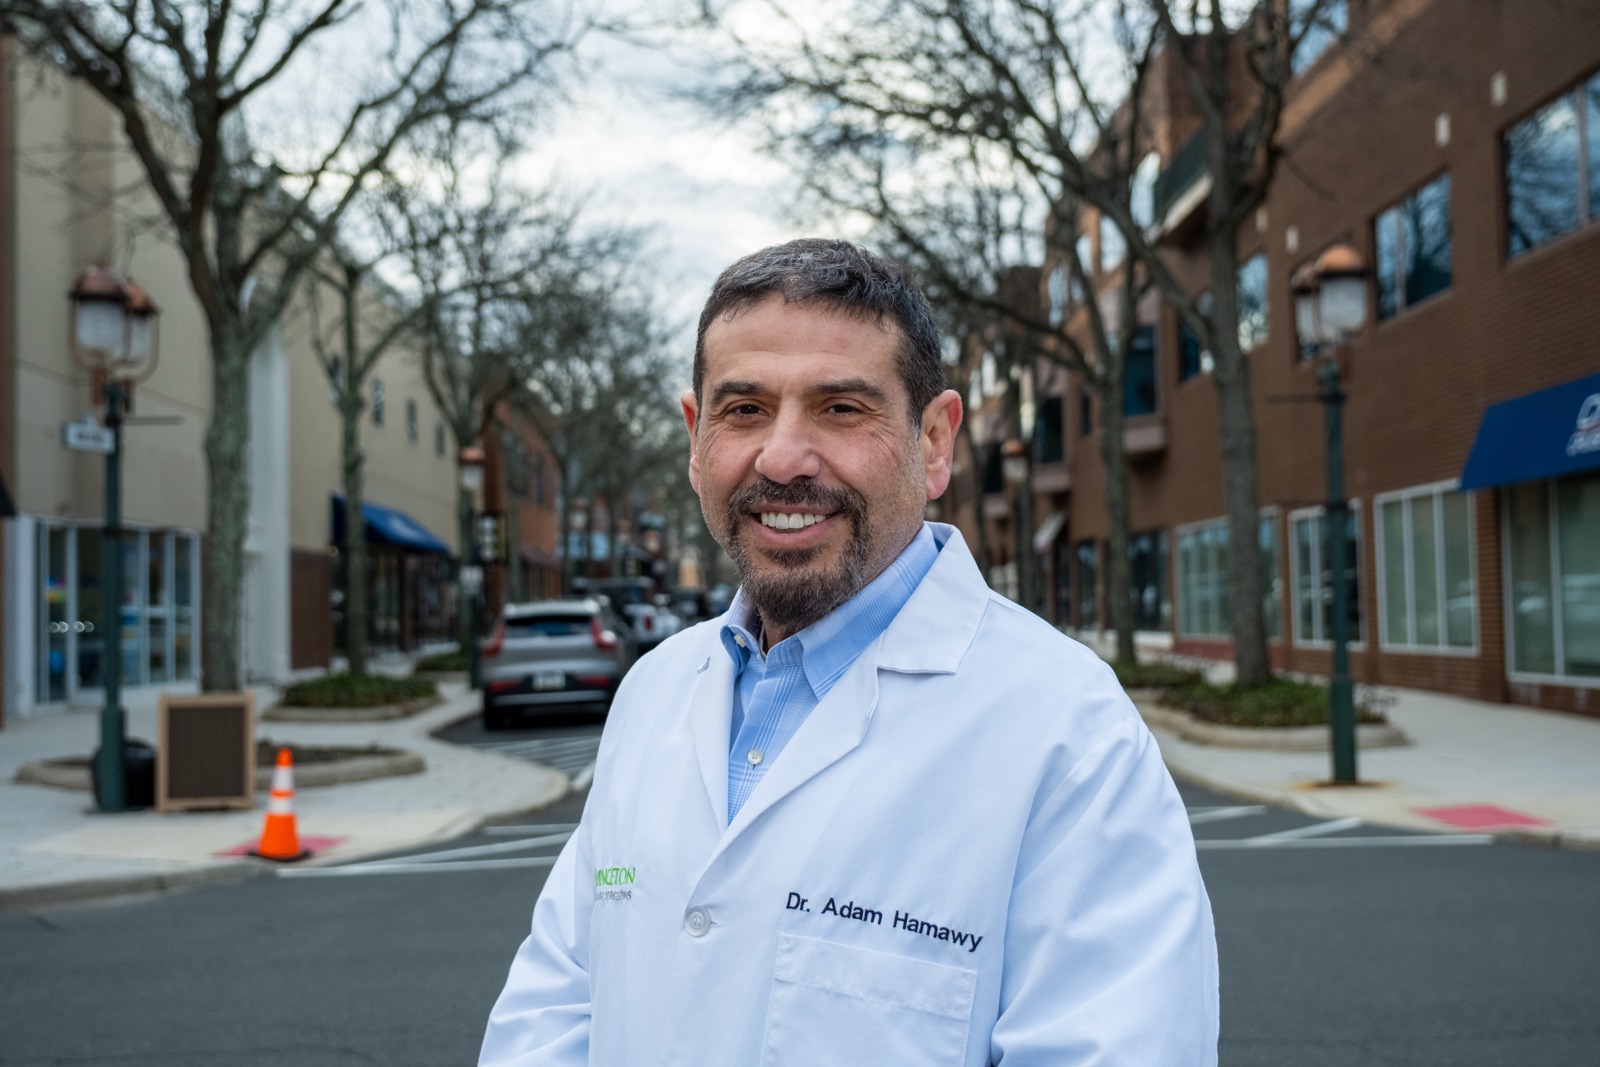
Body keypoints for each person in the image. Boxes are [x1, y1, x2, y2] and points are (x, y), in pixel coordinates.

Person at [479, 239, 1218, 1066]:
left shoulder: (1068, 733)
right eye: (745, 409)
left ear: (935, 441)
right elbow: (555, 1001)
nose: (783, 457)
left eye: (840, 408)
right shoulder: (652, 692)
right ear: (696, 439)